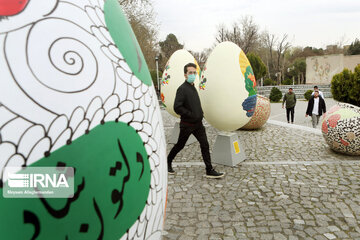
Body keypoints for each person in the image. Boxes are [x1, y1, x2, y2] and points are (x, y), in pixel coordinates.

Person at [167, 63, 224, 179]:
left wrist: (200, 113)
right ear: (185, 75)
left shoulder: (193, 87)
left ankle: (209, 170)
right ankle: (167, 161)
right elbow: (177, 107)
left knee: (205, 145)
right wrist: (191, 114)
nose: (193, 75)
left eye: (194, 72)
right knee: (180, 145)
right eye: (190, 73)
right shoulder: (182, 89)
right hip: (187, 125)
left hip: (198, 124)